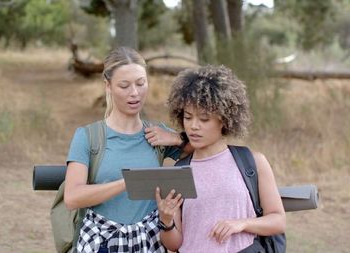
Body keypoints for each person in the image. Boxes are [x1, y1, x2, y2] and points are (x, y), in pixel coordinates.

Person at [64, 47, 189, 253]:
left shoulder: (157, 134)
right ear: (108, 86)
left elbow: (204, 148)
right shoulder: (89, 137)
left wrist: (176, 138)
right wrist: (129, 182)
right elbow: (72, 197)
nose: (135, 93)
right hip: (102, 243)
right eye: (124, 85)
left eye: (141, 83)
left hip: (149, 243)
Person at [156, 65, 286, 253]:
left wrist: (242, 224)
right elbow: (174, 244)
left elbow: (278, 221)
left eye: (204, 119)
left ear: (224, 119)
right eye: (188, 117)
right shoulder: (179, 171)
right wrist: (166, 221)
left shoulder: (253, 162)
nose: (193, 126)